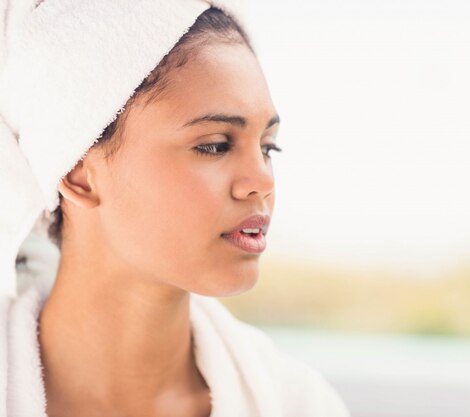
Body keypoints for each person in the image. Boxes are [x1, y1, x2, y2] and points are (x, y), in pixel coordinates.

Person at [0, 1, 351, 416]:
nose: (263, 181)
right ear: (78, 174)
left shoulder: (299, 404)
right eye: (215, 145)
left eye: (267, 148)